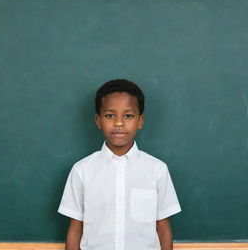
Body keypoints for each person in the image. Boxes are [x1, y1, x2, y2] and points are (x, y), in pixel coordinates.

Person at [58, 79, 181, 250]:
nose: (119, 123)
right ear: (98, 120)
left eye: (128, 116)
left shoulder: (157, 170)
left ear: (140, 121)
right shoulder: (82, 170)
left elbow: (163, 228)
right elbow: (75, 229)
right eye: (110, 115)